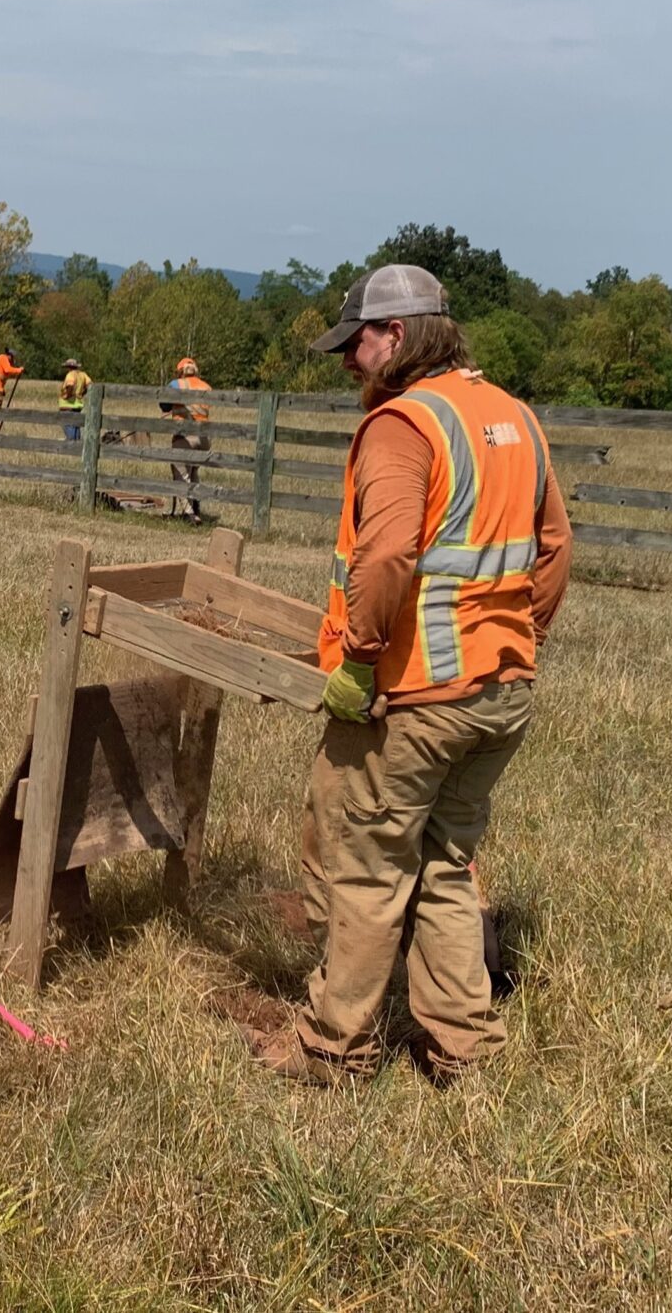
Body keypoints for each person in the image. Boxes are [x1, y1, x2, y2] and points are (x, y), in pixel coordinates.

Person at [245, 264, 572, 1088]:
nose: (348, 363)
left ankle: (334, 1049)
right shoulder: (513, 416)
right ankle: (464, 1048)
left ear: (395, 335)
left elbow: (387, 553)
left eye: (355, 344)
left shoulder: (403, 425)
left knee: (368, 869)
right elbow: (555, 548)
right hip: (503, 695)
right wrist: (517, 635)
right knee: (445, 868)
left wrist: (357, 656)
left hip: (418, 699)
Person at [164, 357, 213, 521]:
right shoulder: (206, 386)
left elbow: (163, 403)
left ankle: (189, 514)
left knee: (181, 473)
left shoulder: (177, 384)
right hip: (204, 439)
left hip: (185, 436)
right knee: (193, 471)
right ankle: (196, 505)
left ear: (180, 371)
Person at [58, 358, 92, 442]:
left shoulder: (70, 374)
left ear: (68, 367)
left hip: (67, 405)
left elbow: (70, 385)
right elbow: (90, 385)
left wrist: (68, 396)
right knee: (76, 426)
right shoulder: (83, 374)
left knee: (68, 425)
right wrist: (82, 393)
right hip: (78, 405)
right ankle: (77, 444)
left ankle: (71, 444)